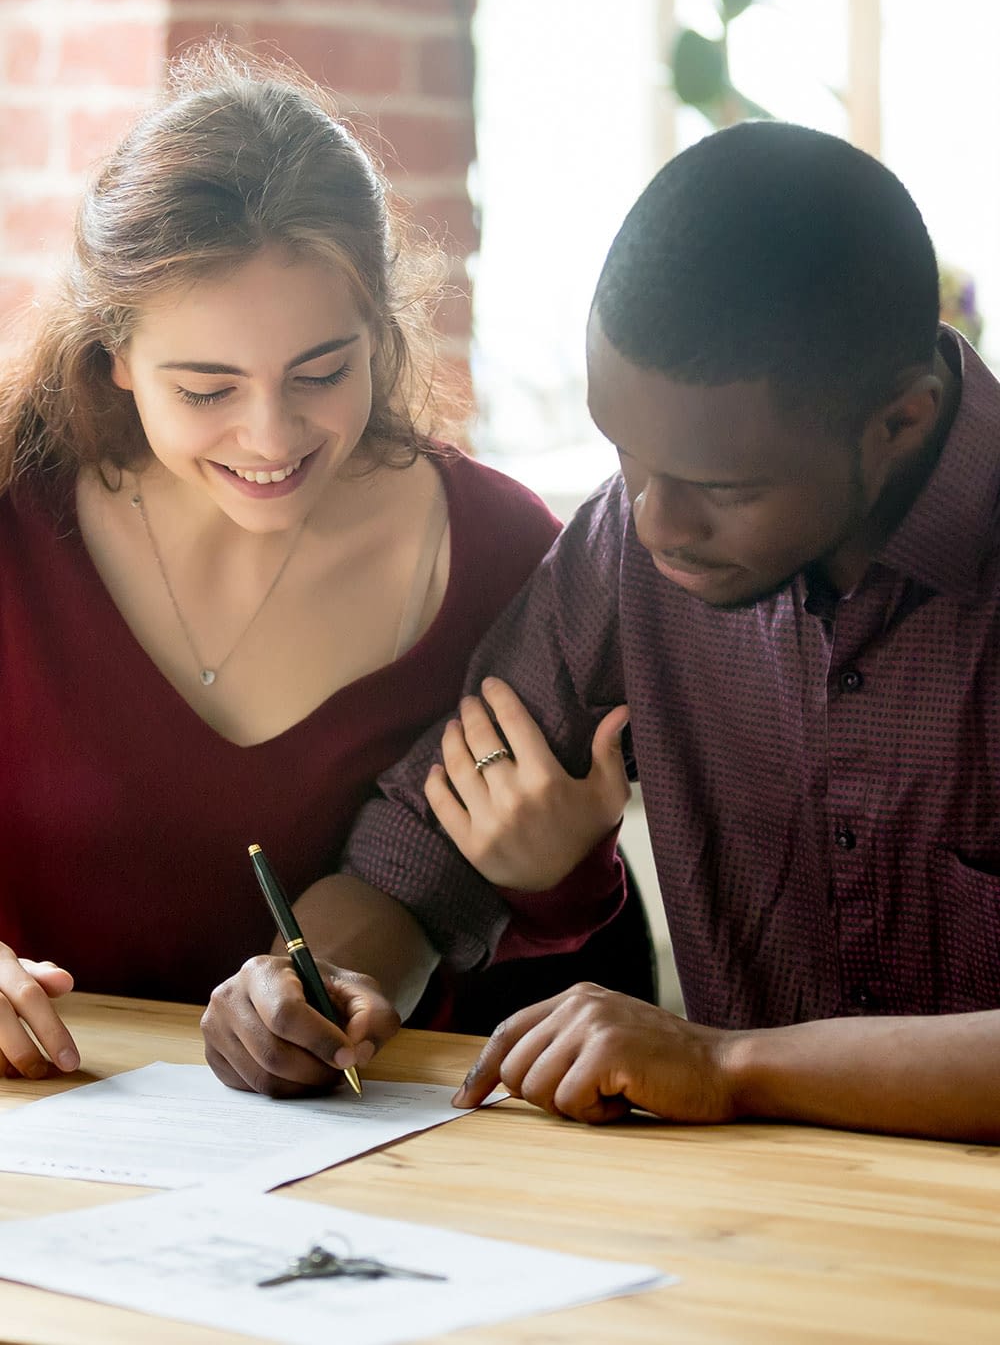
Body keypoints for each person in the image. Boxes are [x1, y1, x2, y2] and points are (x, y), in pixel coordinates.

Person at [203, 119, 1000, 1144]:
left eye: (724, 489)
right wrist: (321, 984)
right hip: (746, 1243)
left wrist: (727, 1062)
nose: (657, 526)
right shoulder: (633, 539)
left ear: (899, 419)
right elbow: (412, 864)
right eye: (624, 452)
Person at [0, 43, 655, 1083]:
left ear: (379, 331)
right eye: (206, 389)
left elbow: (436, 892)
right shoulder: (14, 521)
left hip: (357, 1143)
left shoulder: (496, 552)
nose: (270, 438)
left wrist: (550, 869)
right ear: (114, 352)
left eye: (321, 371)